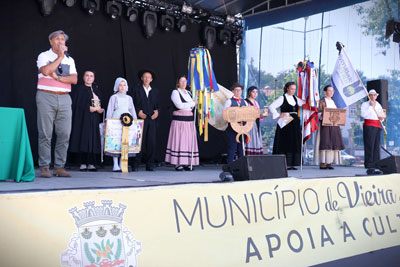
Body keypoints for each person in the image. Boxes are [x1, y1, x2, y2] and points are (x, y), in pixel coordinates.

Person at [36, 30, 77, 178]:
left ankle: (59, 166)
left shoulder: (70, 60)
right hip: (46, 96)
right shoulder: (44, 56)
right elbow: (46, 71)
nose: (61, 42)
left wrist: (58, 78)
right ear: (51, 42)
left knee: (64, 134)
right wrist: (60, 57)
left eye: (63, 40)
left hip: (65, 98)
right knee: (45, 133)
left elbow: (74, 80)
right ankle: (45, 166)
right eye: (57, 39)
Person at [69, 70, 104, 171]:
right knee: (83, 138)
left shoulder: (96, 90)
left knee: (93, 139)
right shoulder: (79, 90)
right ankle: (83, 163)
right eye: (87, 76)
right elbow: (76, 104)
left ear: (94, 78)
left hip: (94, 119)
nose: (89, 78)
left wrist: (100, 110)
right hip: (83, 119)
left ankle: (91, 163)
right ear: (83, 77)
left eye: (91, 76)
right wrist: (87, 108)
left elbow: (100, 104)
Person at [165, 76, 199, 171]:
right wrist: (193, 103)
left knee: (188, 141)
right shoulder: (175, 92)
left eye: (185, 81)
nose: (183, 83)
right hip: (179, 121)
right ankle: (178, 163)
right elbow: (179, 105)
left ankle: (188, 162)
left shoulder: (188, 93)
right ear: (178, 83)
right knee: (180, 141)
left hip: (189, 121)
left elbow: (191, 107)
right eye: (181, 81)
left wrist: (196, 97)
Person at [269, 82, 304, 170]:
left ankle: (292, 163)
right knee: (285, 142)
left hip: (294, 123)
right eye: (291, 89)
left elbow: (304, 103)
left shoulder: (296, 98)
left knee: (294, 142)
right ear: (287, 88)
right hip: (286, 122)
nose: (293, 91)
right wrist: (278, 115)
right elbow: (271, 106)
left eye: (294, 89)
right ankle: (285, 163)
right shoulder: (282, 98)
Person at [129, 70, 159, 171]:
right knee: (138, 142)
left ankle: (150, 164)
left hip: (151, 119)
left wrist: (157, 112)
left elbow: (158, 105)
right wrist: (137, 112)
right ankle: (135, 164)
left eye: (148, 77)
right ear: (142, 78)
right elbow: (131, 103)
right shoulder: (135, 89)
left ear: (151, 79)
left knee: (151, 142)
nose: (146, 79)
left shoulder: (155, 91)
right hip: (139, 119)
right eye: (144, 77)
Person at [106, 77, 137, 172]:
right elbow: (110, 110)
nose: (122, 87)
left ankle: (122, 163)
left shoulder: (129, 98)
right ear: (117, 86)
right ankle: (115, 164)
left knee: (125, 141)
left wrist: (136, 122)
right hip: (116, 121)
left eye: (124, 85)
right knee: (116, 141)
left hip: (128, 122)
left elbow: (132, 110)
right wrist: (108, 122)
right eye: (120, 85)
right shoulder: (114, 97)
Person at [314, 85, 345, 169]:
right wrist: (322, 114)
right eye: (329, 91)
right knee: (325, 142)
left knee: (333, 143)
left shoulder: (334, 101)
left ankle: (330, 162)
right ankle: (322, 162)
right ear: (325, 92)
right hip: (325, 125)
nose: (331, 93)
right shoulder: (321, 101)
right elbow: (317, 113)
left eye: (332, 91)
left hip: (334, 125)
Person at [361, 89, 385, 175]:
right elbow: (363, 115)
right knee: (369, 145)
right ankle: (369, 165)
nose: (372, 97)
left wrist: (382, 118)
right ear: (369, 96)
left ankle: (376, 164)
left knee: (376, 146)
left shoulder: (378, 105)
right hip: (368, 126)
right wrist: (370, 106)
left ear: (376, 96)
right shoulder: (365, 104)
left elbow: (382, 115)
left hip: (377, 126)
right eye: (371, 95)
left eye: (374, 95)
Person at [224, 83, 248, 163]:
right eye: (236, 90)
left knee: (241, 147)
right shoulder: (229, 101)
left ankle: (241, 165)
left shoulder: (245, 102)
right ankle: (230, 165)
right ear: (233, 91)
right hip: (232, 127)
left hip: (242, 128)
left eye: (240, 90)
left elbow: (248, 114)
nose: (238, 92)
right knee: (232, 146)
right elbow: (225, 114)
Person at [244, 86, 266, 155]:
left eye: (256, 92)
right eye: (253, 92)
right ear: (249, 93)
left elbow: (258, 114)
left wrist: (262, 116)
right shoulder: (245, 102)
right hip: (249, 123)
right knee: (251, 138)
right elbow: (244, 113)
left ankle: (256, 155)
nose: (255, 94)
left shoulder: (256, 102)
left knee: (256, 138)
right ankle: (249, 153)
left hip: (256, 123)